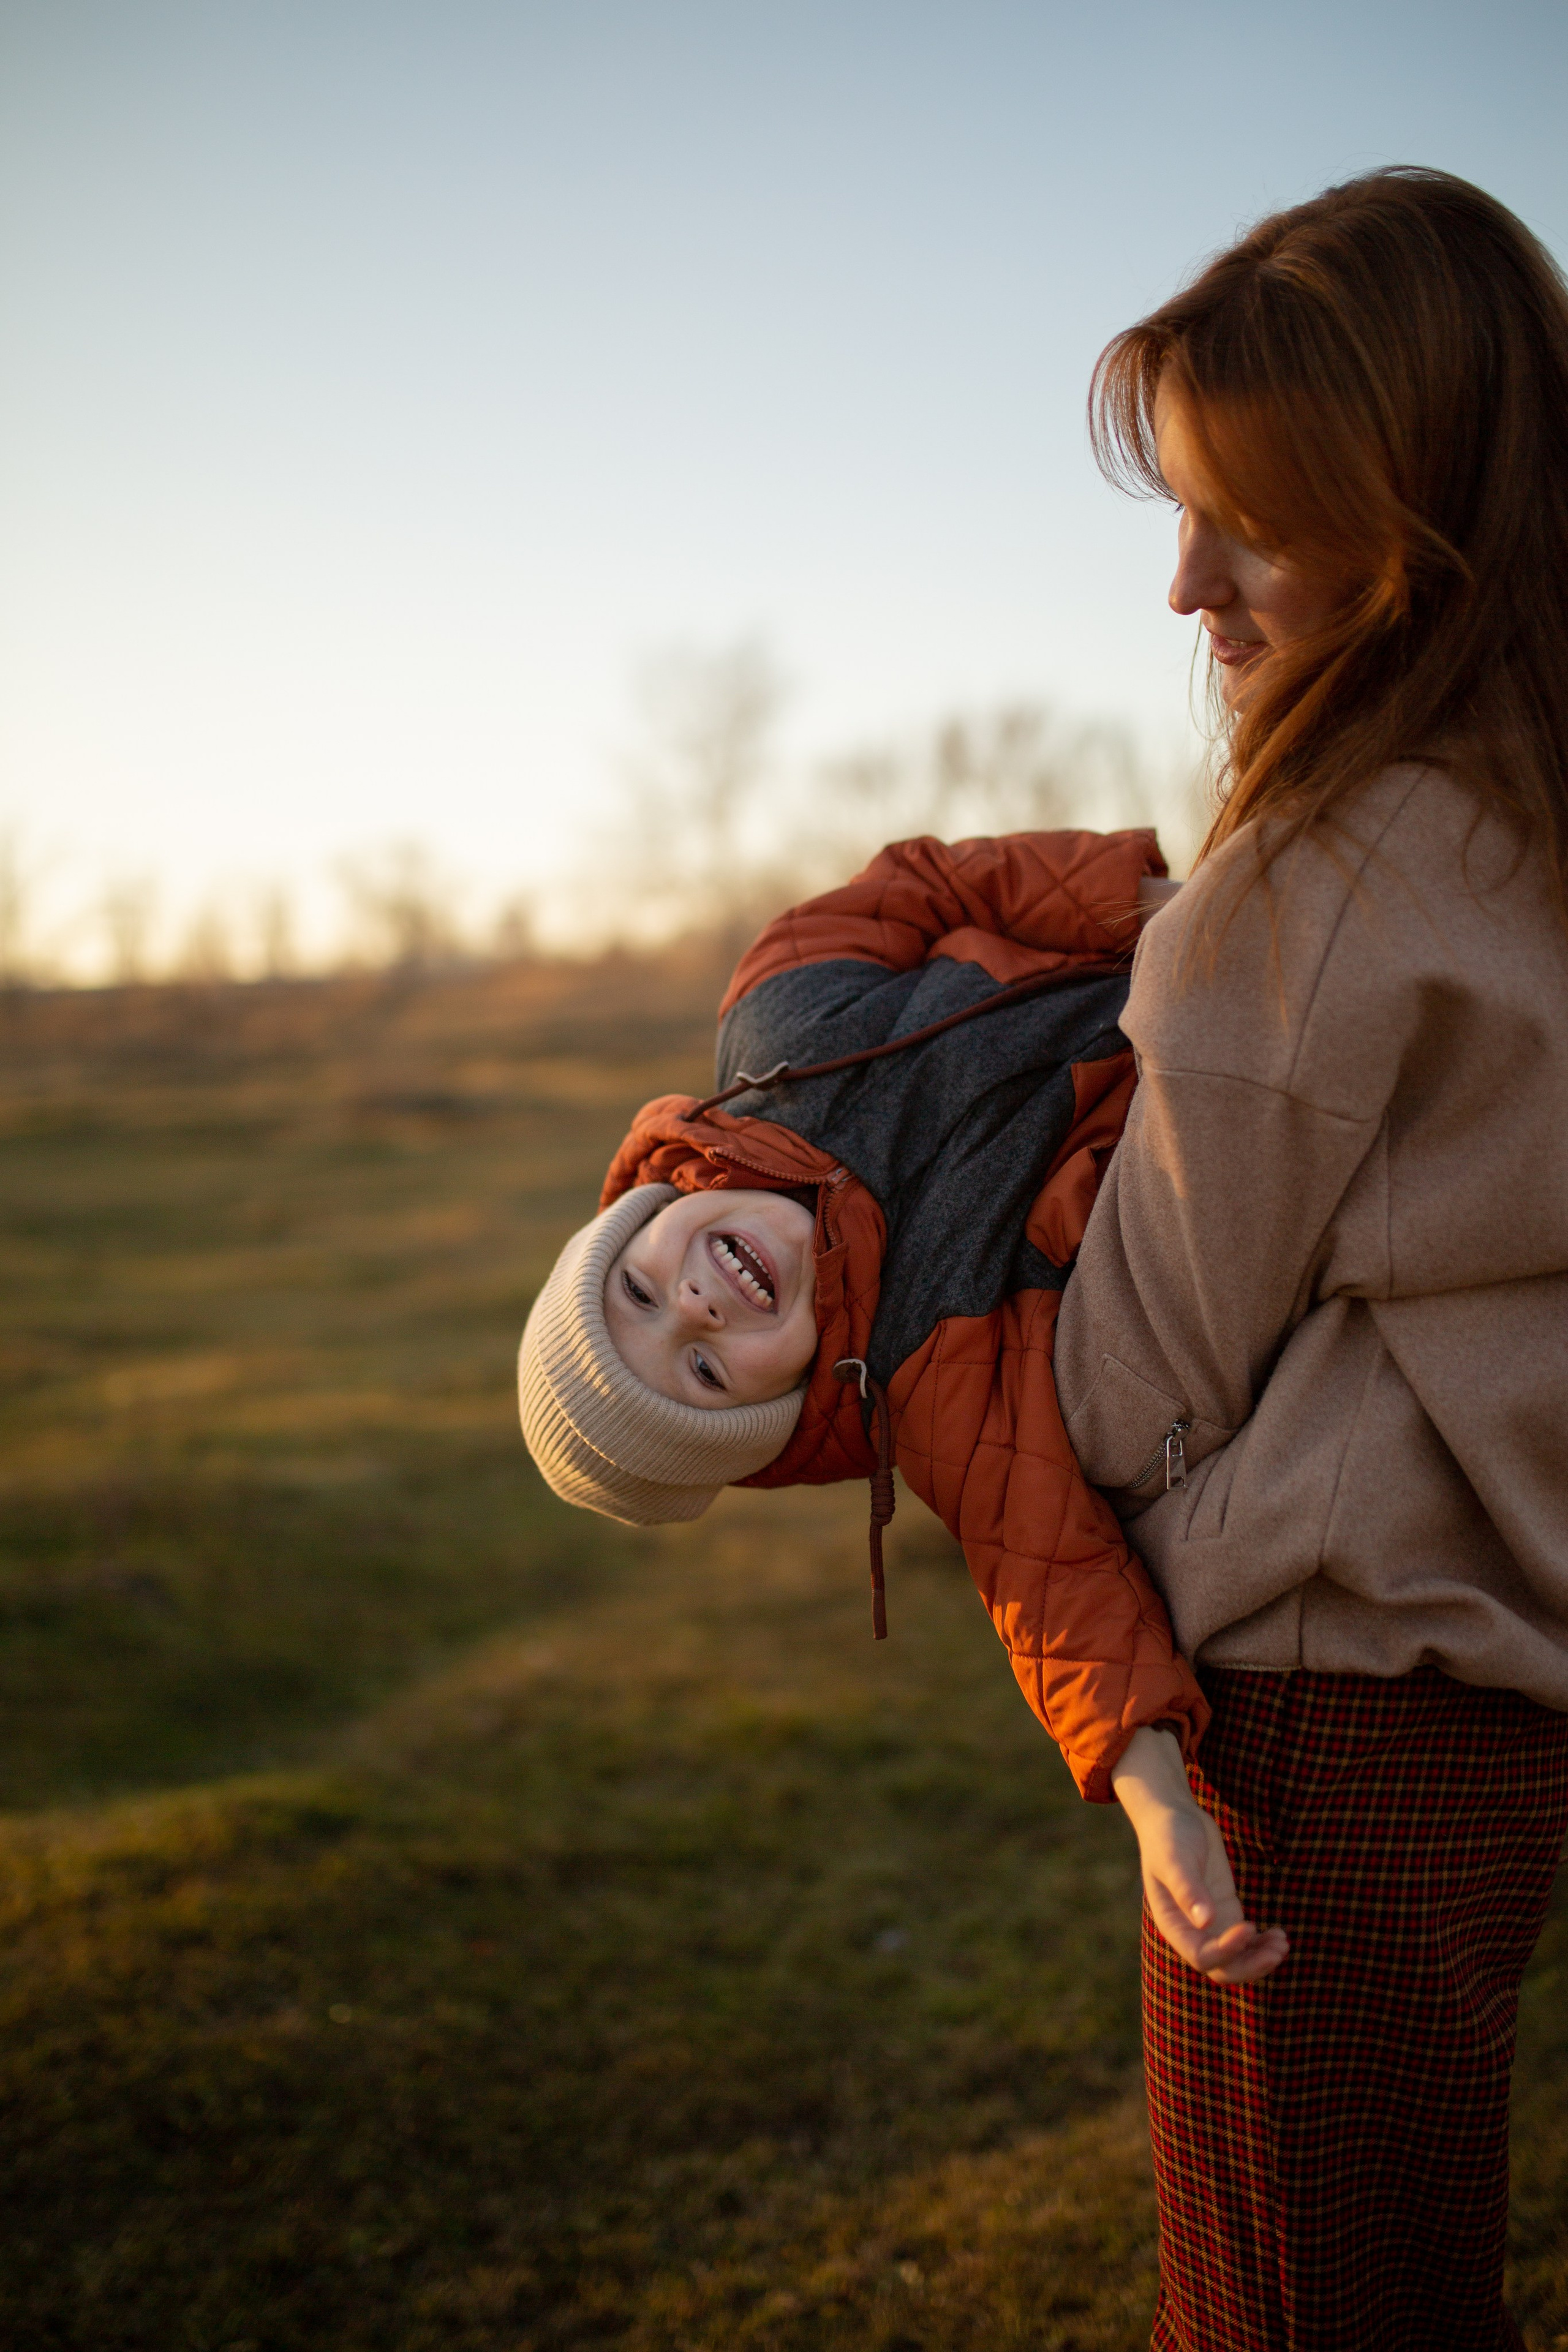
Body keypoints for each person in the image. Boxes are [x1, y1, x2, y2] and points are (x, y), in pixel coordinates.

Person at [1055, 166, 1568, 2350]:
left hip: (1316, 1721)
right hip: (1504, 1701)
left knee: (1294, 2309)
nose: (1185, 583)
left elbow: (1130, 1382)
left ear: (1418, 508)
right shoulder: (1528, 819)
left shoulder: (1322, 877)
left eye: (1245, 519)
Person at [519, 826, 1234, 1815]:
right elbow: (1051, 1589)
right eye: (705, 1373)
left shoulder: (779, 1021)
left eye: (638, 1295)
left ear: (636, 1220)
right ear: (773, 1408)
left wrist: (1162, 906)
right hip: (1254, 1090)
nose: (695, 1308)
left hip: (1200, 919)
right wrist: (1163, 1812)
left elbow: (927, 884)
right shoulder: (933, 1374)